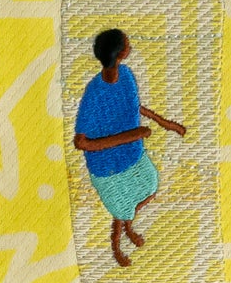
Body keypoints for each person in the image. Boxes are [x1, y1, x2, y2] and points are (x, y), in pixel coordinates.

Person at [73, 29, 185, 267]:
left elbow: (133, 106)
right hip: (108, 168)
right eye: (126, 43)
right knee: (121, 208)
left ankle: (129, 225)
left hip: (133, 155)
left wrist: (164, 122)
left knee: (150, 186)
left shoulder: (126, 75)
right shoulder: (93, 93)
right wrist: (130, 136)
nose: (129, 45)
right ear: (120, 53)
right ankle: (116, 246)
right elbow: (80, 142)